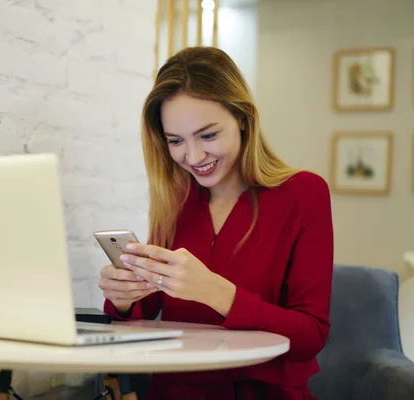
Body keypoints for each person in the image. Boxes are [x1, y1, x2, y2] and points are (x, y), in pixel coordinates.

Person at [99, 46, 333, 400]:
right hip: (177, 389)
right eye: (176, 141)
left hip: (265, 393)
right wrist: (122, 298)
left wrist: (215, 291)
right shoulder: (176, 199)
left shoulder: (304, 193)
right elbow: (144, 312)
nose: (193, 157)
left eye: (208, 135)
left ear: (242, 118)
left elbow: (310, 336)